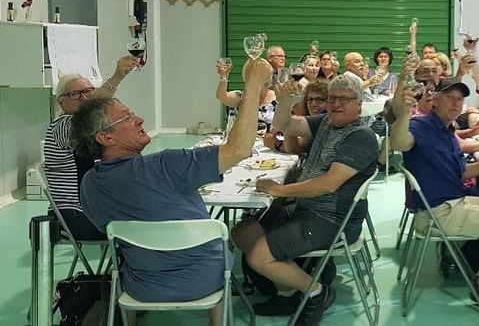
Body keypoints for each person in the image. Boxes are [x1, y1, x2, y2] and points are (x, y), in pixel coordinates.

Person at [70, 57, 272, 325]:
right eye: (127, 118)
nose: (139, 118)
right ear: (105, 138)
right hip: (205, 280)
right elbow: (239, 149)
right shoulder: (167, 165)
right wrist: (255, 82)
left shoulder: (89, 185)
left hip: (140, 287)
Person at [233, 75, 378, 322]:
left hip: (333, 220)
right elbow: (285, 125)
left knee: (258, 256)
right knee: (243, 231)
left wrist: (280, 191)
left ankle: (316, 293)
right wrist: (286, 100)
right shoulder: (326, 122)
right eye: (332, 98)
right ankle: (289, 291)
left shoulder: (360, 137)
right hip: (306, 210)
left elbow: (328, 184)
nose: (336, 104)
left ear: (359, 105)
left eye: (344, 99)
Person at [390, 75, 479, 310]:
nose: (455, 103)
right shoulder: (419, 126)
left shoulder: (447, 130)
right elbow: (399, 143)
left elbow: (460, 172)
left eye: (459, 99)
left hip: (453, 202)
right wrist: (403, 114)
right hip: (437, 214)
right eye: (449, 98)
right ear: (435, 101)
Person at [42, 56, 140, 240]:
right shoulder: (63, 125)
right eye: (75, 94)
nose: (84, 98)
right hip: (73, 214)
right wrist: (116, 77)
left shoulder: (90, 126)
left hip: (93, 206)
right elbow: (90, 113)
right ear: (61, 102)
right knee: (140, 227)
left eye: (88, 92)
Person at [216, 61, 277, 128]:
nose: (254, 78)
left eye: (258, 74)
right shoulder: (242, 97)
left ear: (267, 76)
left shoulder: (277, 97)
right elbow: (221, 96)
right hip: (245, 137)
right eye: (251, 74)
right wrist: (224, 77)